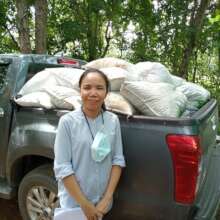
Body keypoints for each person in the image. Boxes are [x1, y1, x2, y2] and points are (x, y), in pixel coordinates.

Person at [54, 68, 126, 220]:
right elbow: (62, 167)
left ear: (106, 92)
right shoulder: (67, 122)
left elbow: (117, 160)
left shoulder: (112, 120)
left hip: (102, 205)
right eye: (87, 87)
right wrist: (85, 205)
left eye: (99, 88)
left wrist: (106, 199)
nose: (93, 93)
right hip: (75, 206)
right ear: (80, 91)